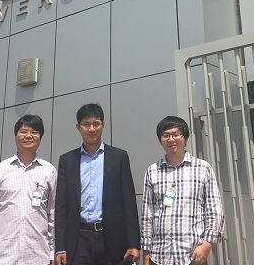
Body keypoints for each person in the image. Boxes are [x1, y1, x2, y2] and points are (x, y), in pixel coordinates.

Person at [54, 103, 140, 265]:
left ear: (103, 125)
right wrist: (60, 247)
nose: (91, 129)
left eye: (96, 124)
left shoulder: (119, 157)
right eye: (86, 124)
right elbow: (61, 207)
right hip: (78, 240)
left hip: (112, 240)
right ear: (78, 127)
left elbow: (129, 203)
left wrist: (133, 244)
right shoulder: (67, 160)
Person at [0, 114, 57, 265]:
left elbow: (53, 213)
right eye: (23, 131)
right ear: (16, 136)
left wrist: (53, 252)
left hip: (38, 257)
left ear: (40, 137)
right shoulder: (1, 170)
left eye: (34, 132)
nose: (28, 136)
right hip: (4, 257)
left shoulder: (49, 171)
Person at [141, 116, 224, 265]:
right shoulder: (152, 171)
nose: (171, 139)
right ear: (160, 140)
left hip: (191, 256)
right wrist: (146, 254)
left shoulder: (203, 168)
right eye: (165, 135)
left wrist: (206, 245)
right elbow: (148, 215)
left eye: (176, 134)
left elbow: (214, 210)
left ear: (185, 138)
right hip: (159, 256)